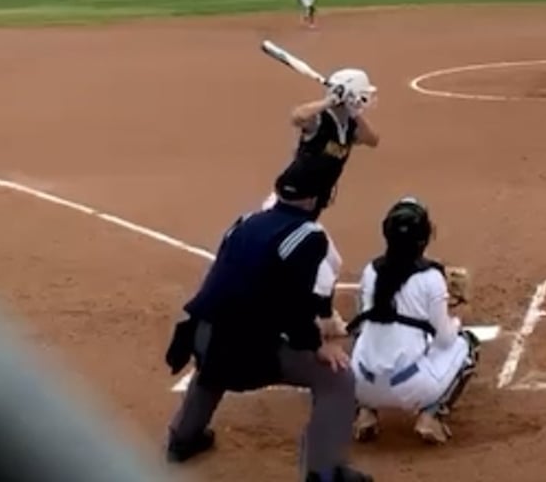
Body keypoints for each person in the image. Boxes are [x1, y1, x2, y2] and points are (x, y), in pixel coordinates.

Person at [162, 157, 370, 481]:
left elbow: (218, 282)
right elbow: (296, 306)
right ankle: (323, 472)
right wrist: (317, 345)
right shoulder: (309, 235)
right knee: (336, 378)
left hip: (202, 338)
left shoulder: (245, 221)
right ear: (314, 200)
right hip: (251, 357)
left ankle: (182, 438)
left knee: (214, 361)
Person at [349, 198, 479, 446]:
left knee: (361, 336)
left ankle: (365, 412)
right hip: (411, 388)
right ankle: (431, 416)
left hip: (361, 385)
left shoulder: (370, 271)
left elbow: (364, 325)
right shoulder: (431, 278)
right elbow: (444, 340)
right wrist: (457, 317)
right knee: (468, 344)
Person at [265, 69, 381, 211]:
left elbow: (373, 140)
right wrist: (329, 101)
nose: (364, 100)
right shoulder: (320, 119)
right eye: (361, 95)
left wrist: (354, 113)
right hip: (293, 195)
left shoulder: (350, 125)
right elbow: (297, 117)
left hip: (315, 197)